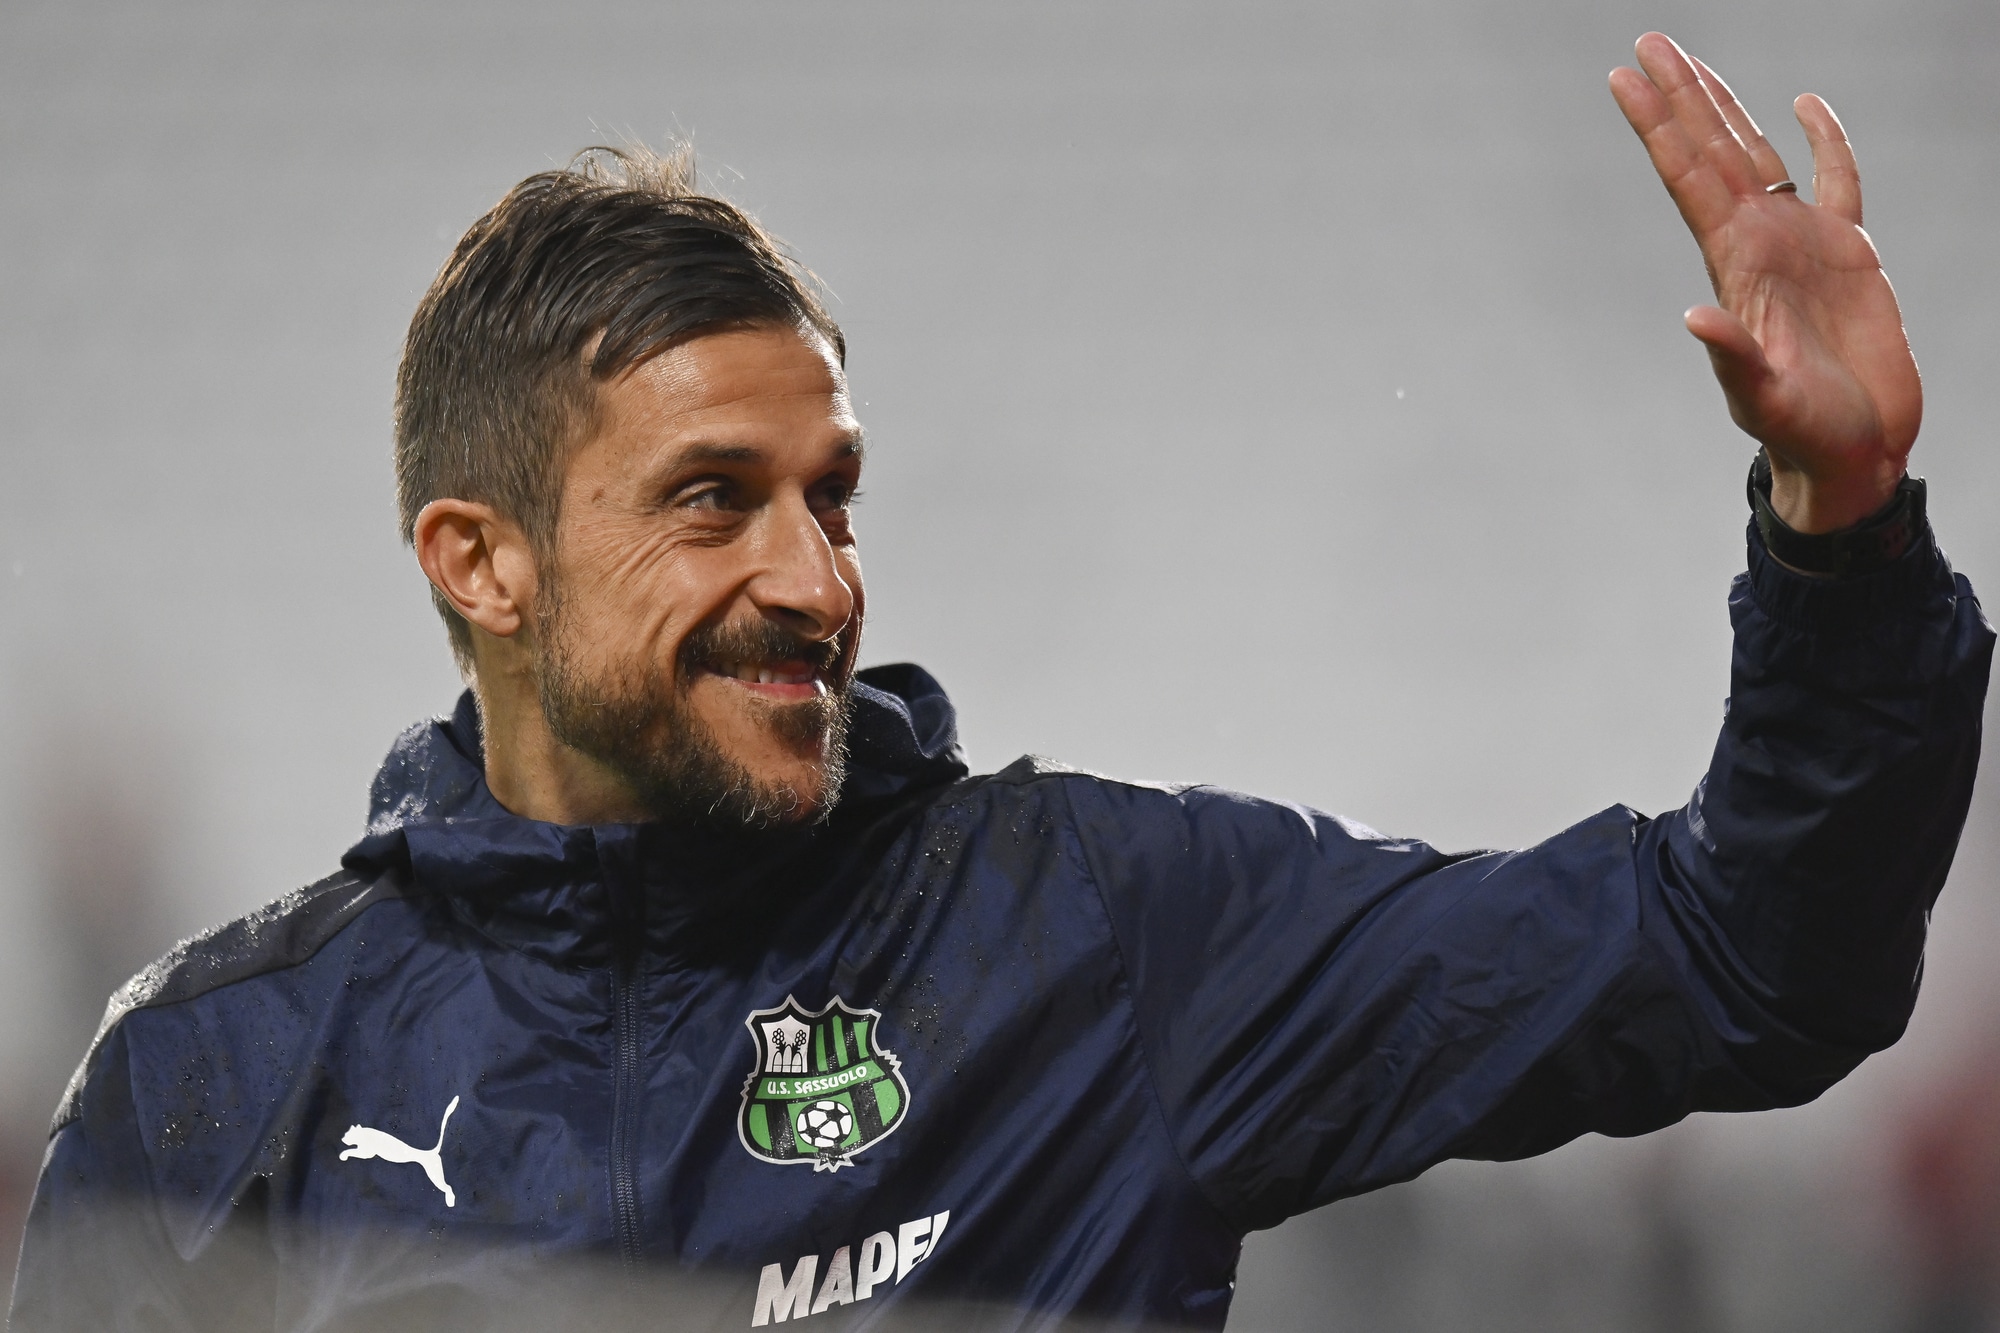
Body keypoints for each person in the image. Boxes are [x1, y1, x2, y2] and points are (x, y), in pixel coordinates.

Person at [10, 32, 1991, 1332]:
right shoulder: (213, 1087)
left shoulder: (1095, 940)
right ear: (482, 560)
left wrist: (1839, 528)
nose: (816, 579)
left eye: (833, 496)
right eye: (713, 500)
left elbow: (1747, 961)